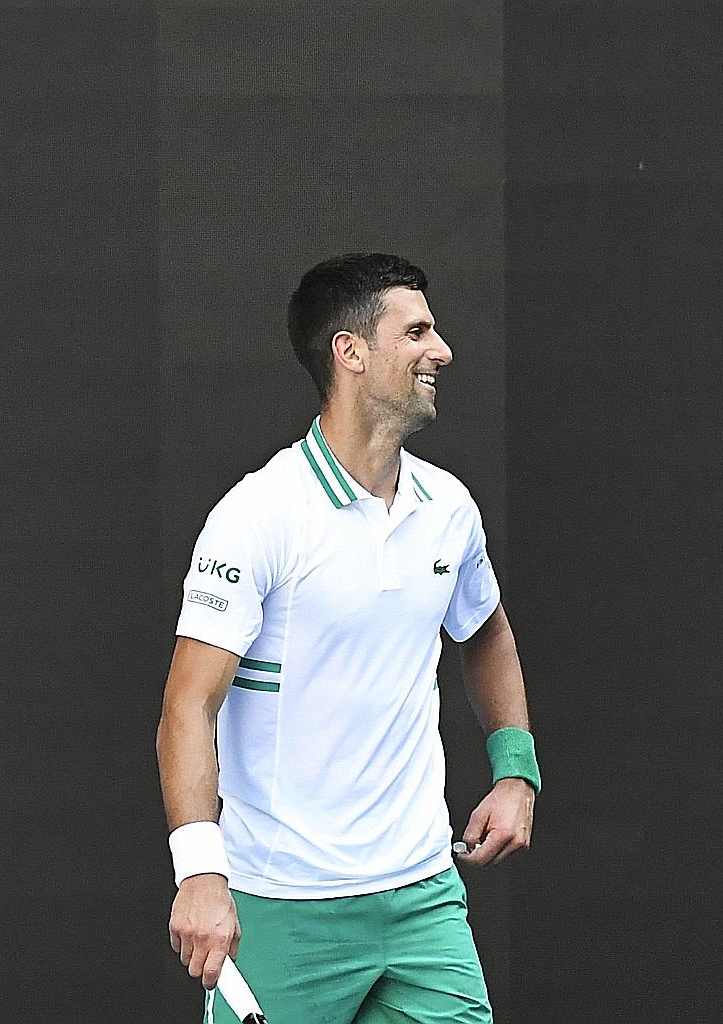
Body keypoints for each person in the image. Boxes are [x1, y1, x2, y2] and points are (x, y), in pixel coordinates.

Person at [156, 253, 537, 1024]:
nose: (442, 351)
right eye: (417, 332)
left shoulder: (449, 508)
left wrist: (515, 770)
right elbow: (186, 709)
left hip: (423, 900)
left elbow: (486, 628)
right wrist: (199, 872)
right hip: (281, 908)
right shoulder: (258, 516)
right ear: (350, 351)